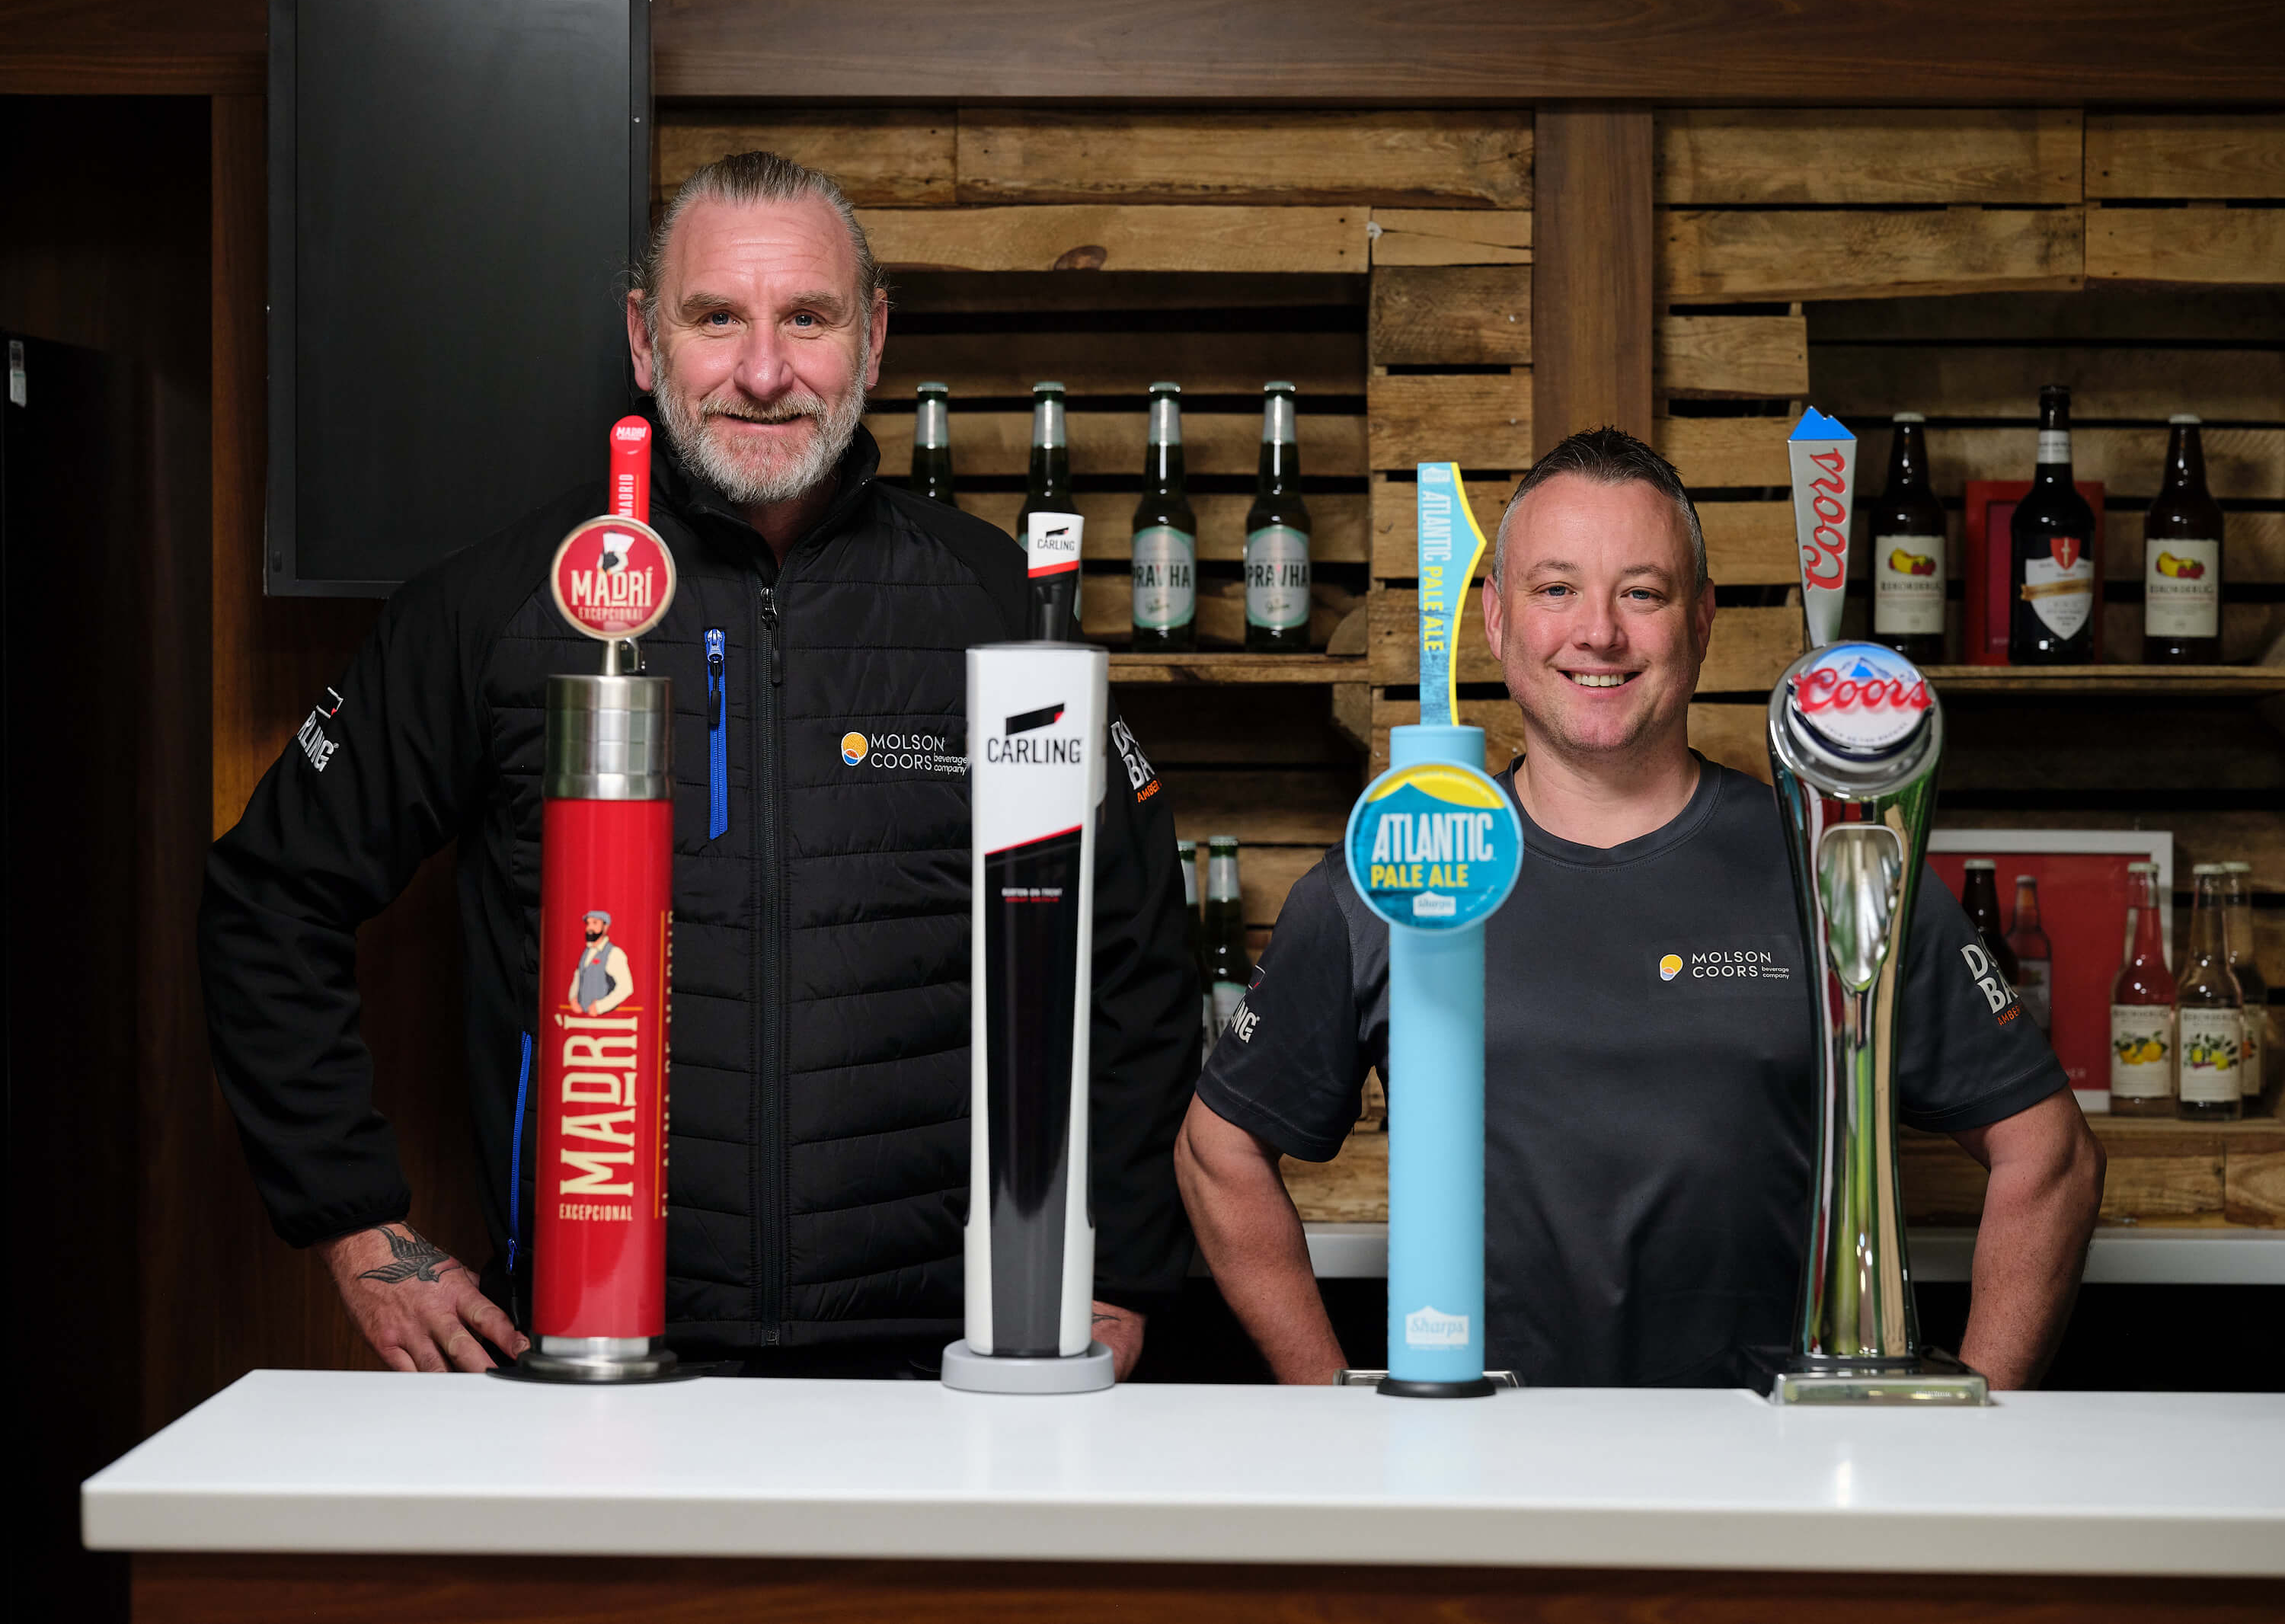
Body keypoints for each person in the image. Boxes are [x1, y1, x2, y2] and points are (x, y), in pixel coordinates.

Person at [201, 152, 1197, 1377]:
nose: (764, 371)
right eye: (715, 315)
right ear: (643, 337)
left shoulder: (1000, 607)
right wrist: (361, 1230)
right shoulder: (500, 606)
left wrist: (1131, 1262)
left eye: (809, 319)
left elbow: (1139, 949)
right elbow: (266, 895)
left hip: (952, 1366)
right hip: (599, 1352)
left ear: (874, 340)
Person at [1177, 427, 2104, 1391]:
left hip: (1774, 1491)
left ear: (1702, 620)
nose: (1600, 632)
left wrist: (1983, 1429)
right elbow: (1217, 1150)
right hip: (1481, 1484)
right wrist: (1325, 1403)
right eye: (1556, 588)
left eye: (1642, 592)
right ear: (1494, 619)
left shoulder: (1835, 858)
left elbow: (2052, 1160)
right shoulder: (1399, 874)